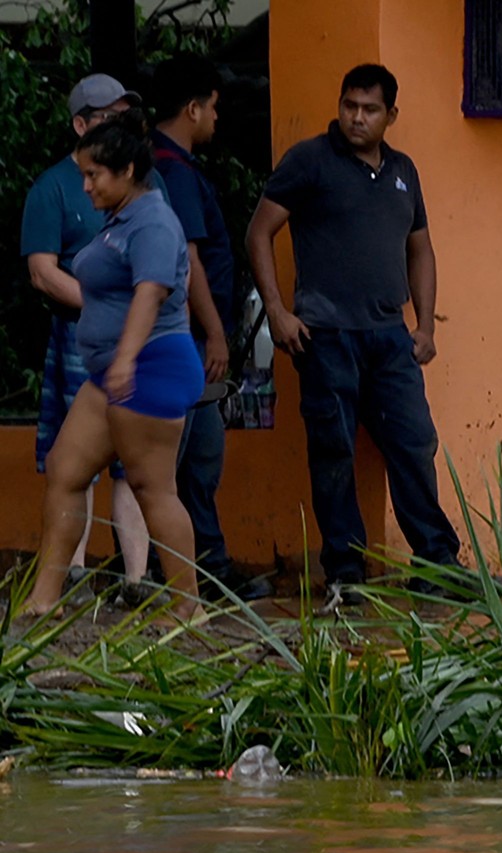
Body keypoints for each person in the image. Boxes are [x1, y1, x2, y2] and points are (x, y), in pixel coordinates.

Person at [245, 63, 460, 605]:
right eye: (349, 106)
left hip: (390, 337)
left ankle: (437, 567)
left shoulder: (403, 170)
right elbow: (259, 232)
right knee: (333, 451)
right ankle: (344, 573)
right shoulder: (310, 161)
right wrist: (277, 311)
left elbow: (421, 249)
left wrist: (426, 325)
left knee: (414, 445)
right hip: (325, 336)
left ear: (391, 115)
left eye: (369, 110)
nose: (356, 118)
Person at [21, 112, 205, 621]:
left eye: (93, 176)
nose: (84, 186)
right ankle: (44, 599)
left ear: (126, 170)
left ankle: (188, 608)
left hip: (148, 369)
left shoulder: (154, 221)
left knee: (152, 488)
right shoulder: (119, 218)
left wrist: (124, 360)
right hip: (112, 374)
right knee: (65, 469)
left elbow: (153, 292)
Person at [20, 74, 156, 603]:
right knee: (75, 458)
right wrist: (106, 305)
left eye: (126, 113)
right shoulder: (53, 187)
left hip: (142, 339)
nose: (122, 122)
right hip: (81, 336)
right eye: (108, 114)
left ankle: (138, 580)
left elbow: (170, 261)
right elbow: (42, 271)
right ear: (80, 125)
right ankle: (72, 574)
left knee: (136, 457)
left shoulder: (147, 182)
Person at [150, 54, 270, 602]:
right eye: (214, 108)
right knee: (187, 460)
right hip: (190, 338)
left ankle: (207, 564)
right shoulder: (172, 170)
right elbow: (190, 258)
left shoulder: (172, 167)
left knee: (199, 457)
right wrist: (215, 333)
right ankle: (185, 571)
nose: (218, 120)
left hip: (192, 336)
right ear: (193, 108)